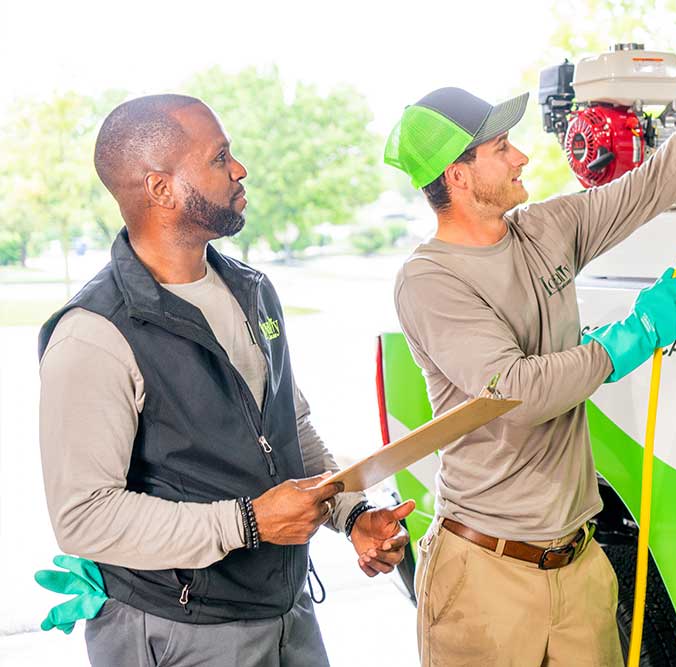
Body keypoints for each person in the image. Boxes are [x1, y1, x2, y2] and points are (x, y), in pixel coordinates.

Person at [383, 13, 676, 666]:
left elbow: (653, 184)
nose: (520, 156)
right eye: (500, 149)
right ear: (456, 177)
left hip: (579, 568)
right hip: (485, 579)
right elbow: (517, 392)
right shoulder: (430, 280)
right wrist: (629, 338)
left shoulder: (545, 230)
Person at [35, 94, 414, 667]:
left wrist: (352, 514)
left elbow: (291, 429)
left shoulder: (251, 290)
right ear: (161, 189)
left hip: (287, 610)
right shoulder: (95, 334)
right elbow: (84, 516)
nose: (240, 169)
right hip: (179, 628)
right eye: (220, 157)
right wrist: (249, 523)